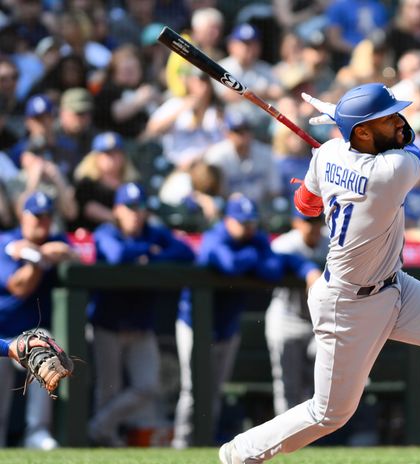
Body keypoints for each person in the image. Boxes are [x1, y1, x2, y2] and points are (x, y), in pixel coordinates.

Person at [218, 83, 420, 464]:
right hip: (347, 304)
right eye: (387, 117)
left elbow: (306, 205)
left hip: (396, 285)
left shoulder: (329, 153)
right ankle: (243, 452)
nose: (398, 121)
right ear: (365, 133)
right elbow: (412, 144)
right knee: (330, 412)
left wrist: (337, 145)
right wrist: (342, 130)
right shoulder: (392, 172)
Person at [172, 195, 321, 449]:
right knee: (194, 389)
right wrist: (254, 256)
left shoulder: (256, 240)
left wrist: (307, 269)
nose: (248, 228)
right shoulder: (216, 236)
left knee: (215, 389)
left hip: (227, 325)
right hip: (195, 323)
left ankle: (202, 441)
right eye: (242, 223)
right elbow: (230, 265)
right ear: (229, 220)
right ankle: (182, 443)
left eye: (251, 223)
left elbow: (275, 267)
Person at [88, 183, 194, 447]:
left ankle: (98, 428)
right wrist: (149, 251)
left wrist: (151, 254)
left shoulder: (153, 233)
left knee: (149, 386)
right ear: (117, 210)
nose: (135, 213)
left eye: (140, 208)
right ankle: (105, 440)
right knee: (107, 390)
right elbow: (117, 255)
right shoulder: (107, 231)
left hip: (140, 325)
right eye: (129, 207)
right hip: (108, 323)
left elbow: (185, 252)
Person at [0, 191, 75, 449]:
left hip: (30, 331)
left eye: (46, 217)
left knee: (45, 350)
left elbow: (79, 258)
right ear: (24, 216)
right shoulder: (5, 241)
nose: (41, 222)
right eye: (36, 216)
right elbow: (19, 287)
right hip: (3, 332)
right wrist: (37, 261)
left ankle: (37, 432)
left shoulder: (54, 240)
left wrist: (43, 253)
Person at [265, 207, 328, 416]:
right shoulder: (284, 244)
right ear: (296, 222)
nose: (313, 226)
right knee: (287, 384)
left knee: (321, 382)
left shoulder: (331, 242)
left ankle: (317, 438)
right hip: (287, 317)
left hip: (319, 321)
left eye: (317, 221)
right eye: (307, 221)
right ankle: (286, 439)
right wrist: (307, 269)